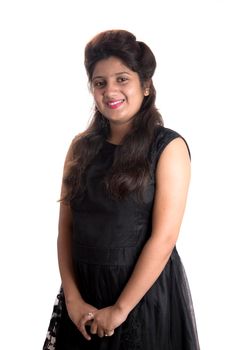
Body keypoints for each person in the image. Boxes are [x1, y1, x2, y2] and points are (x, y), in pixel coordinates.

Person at [43, 29, 200, 349]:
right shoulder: (80, 147)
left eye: (122, 79)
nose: (110, 90)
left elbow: (165, 237)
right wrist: (72, 300)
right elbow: (66, 230)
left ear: (145, 85)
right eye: (100, 83)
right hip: (83, 301)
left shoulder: (167, 146)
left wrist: (119, 310)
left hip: (140, 297)